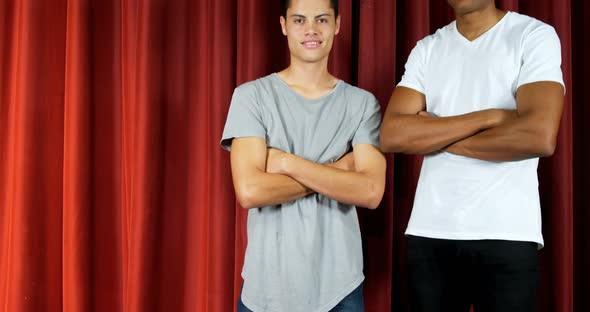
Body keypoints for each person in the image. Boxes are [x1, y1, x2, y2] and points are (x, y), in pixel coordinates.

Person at [380, 0, 564, 311]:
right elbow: (392, 135)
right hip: (430, 232)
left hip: (507, 231)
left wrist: (434, 134)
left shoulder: (532, 35)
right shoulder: (428, 48)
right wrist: (489, 117)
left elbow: (539, 137)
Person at [220, 0, 386, 311]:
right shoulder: (251, 97)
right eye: (299, 20)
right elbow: (251, 191)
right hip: (265, 288)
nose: (311, 29)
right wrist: (339, 169)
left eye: (322, 19)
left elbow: (371, 191)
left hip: (339, 288)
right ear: (283, 25)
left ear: (337, 24)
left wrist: (285, 162)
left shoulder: (363, 104)